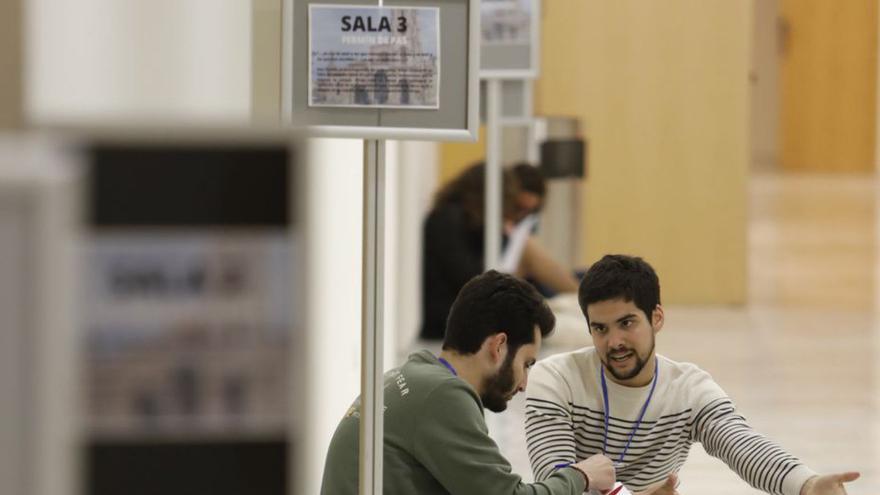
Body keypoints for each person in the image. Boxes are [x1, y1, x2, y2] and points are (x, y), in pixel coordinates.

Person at [524, 254, 861, 495]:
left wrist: (806, 485)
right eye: (600, 328)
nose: (614, 343)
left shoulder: (689, 389)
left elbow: (743, 445)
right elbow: (556, 486)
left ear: (656, 317)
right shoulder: (556, 381)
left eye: (627, 323)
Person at [320, 270, 622, 495]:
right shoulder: (443, 395)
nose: (525, 384)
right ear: (498, 346)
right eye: (527, 363)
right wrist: (581, 475)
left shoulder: (414, 377)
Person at [421, 163, 578, 340]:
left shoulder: (457, 219)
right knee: (570, 327)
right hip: (454, 320)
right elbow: (469, 278)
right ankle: (580, 297)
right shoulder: (449, 219)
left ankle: (579, 298)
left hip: (465, 313)